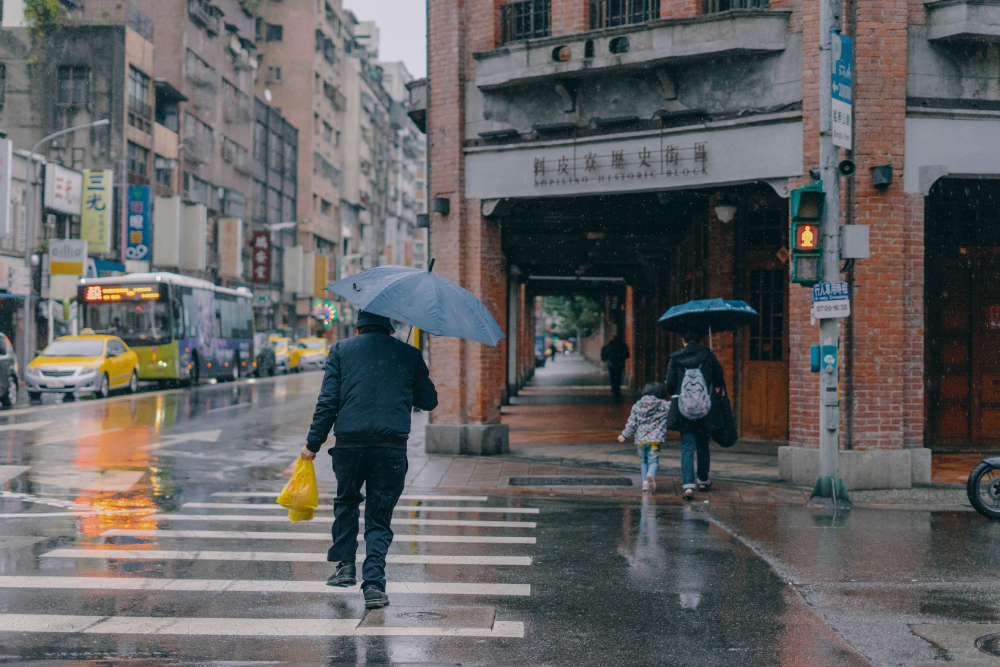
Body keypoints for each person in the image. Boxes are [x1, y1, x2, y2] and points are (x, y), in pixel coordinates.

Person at [299, 310, 438, 609]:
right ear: (389, 329)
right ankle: (374, 585)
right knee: (379, 517)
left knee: (347, 501)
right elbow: (429, 401)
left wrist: (313, 443)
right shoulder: (409, 353)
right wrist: (407, 378)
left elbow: (328, 401)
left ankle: (345, 566)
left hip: (350, 446)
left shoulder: (341, 350)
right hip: (390, 449)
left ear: (358, 328)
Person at [665, 330, 725, 500]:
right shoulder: (708, 355)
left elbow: (669, 384)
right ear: (699, 339)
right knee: (703, 445)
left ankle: (688, 486)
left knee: (687, 446)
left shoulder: (675, 358)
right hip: (705, 409)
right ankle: (703, 480)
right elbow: (719, 379)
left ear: (683, 339)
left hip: (684, 410)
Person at [618, 382, 669, 492]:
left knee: (643, 461)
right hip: (654, 441)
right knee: (653, 461)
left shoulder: (637, 405)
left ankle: (645, 484)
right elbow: (675, 409)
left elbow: (632, 423)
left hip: (641, 441)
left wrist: (624, 435)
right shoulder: (664, 405)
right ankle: (651, 474)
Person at [601, 335, 630, 401]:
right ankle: (617, 390)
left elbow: (604, 354)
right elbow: (627, 355)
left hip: (611, 364)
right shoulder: (622, 345)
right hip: (620, 364)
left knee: (612, 377)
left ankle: (614, 390)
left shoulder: (610, 345)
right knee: (618, 377)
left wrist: (606, 360)